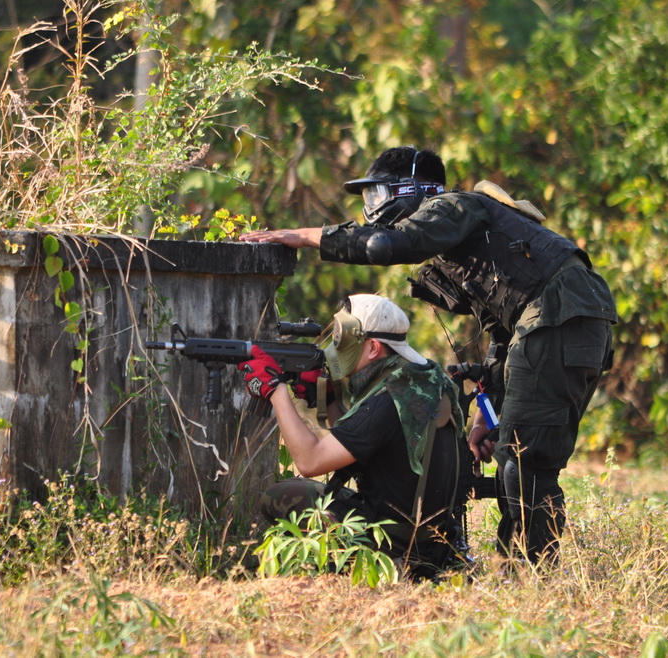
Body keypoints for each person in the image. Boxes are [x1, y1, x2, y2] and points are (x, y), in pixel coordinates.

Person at [239, 146, 618, 565]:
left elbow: (384, 245)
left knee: (525, 458)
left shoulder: (453, 205)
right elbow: (502, 330)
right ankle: (520, 569)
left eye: (378, 193)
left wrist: (305, 236)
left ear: (412, 188)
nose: (372, 206)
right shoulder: (471, 239)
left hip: (560, 319)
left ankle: (531, 574)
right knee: (514, 450)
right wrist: (487, 414)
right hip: (563, 321)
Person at [237, 293, 467, 580]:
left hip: (392, 547)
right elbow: (362, 440)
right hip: (430, 542)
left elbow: (309, 461)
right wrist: (327, 398)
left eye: (342, 338)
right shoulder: (420, 384)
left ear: (373, 348)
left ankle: (342, 569)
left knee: (281, 494)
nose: (334, 347)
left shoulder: (387, 401)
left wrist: (276, 390)